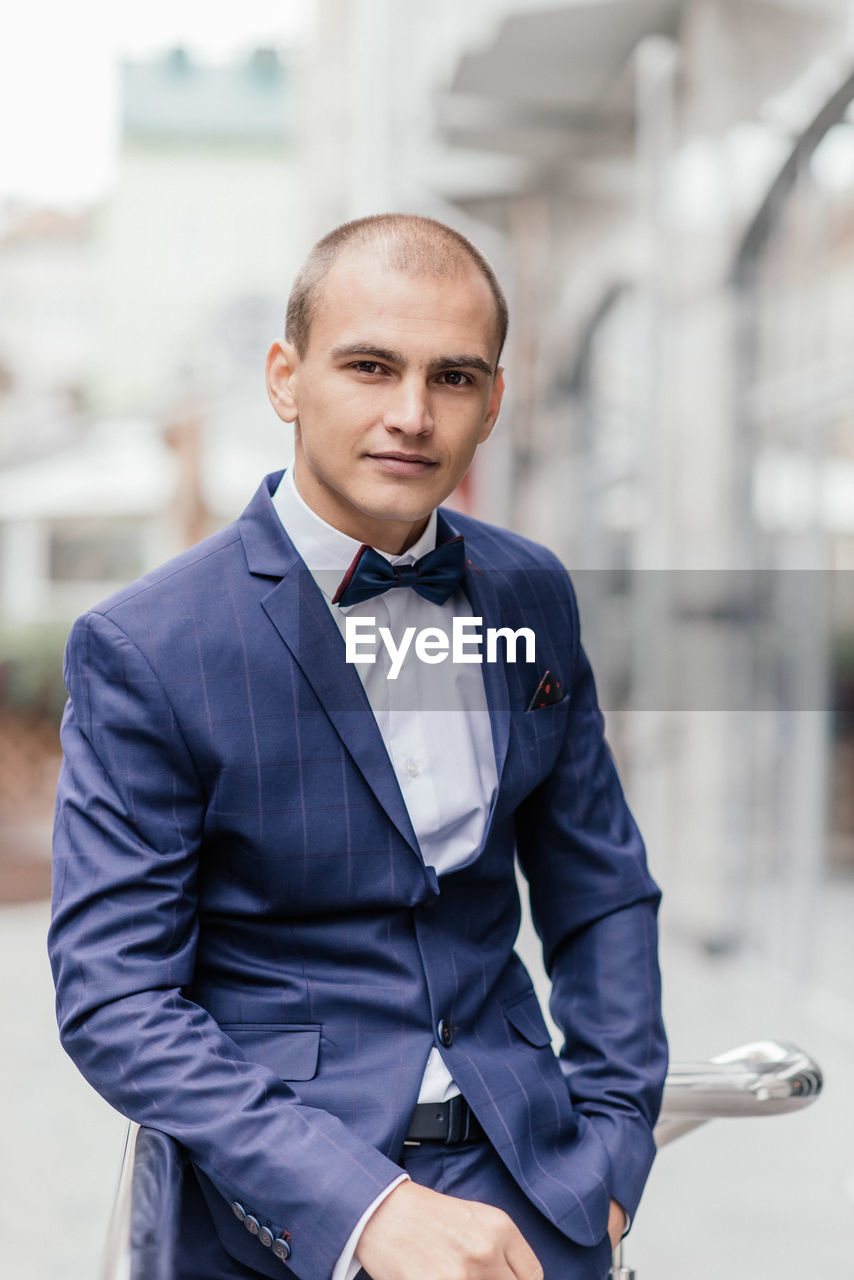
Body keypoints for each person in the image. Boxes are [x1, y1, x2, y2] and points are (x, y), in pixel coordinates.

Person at [49, 213, 667, 1280]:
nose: (412, 414)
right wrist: (369, 1207)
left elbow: (598, 887)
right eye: (370, 366)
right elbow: (117, 996)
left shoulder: (531, 592)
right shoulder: (146, 645)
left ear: (494, 403)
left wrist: (613, 1143)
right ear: (285, 377)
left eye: (453, 377)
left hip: (540, 1196)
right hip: (279, 1213)